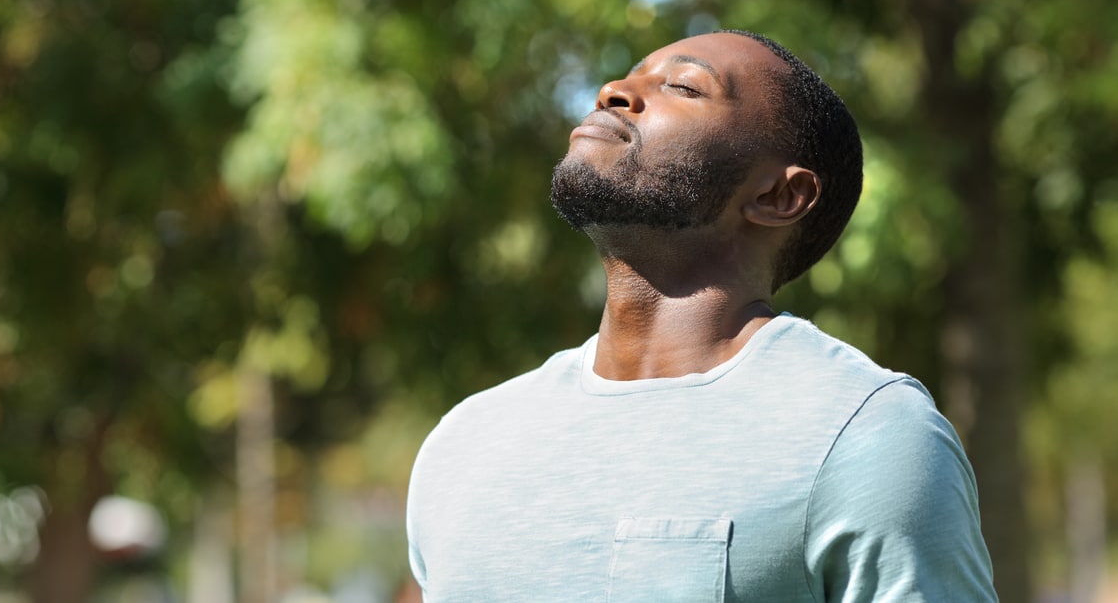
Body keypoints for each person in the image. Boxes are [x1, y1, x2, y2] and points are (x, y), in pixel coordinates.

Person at [405, 30, 997, 601]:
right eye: (629, 74)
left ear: (777, 196)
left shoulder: (867, 434)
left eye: (685, 87)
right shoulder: (464, 444)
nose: (614, 90)